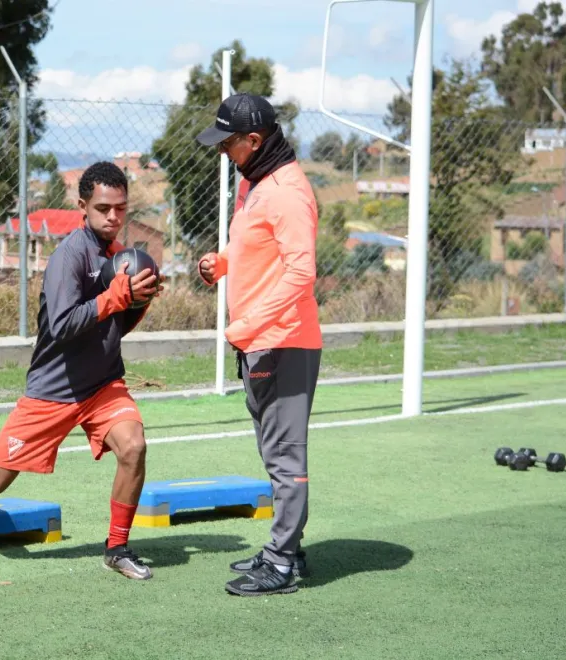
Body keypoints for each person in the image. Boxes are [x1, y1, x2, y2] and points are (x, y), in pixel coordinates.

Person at [0, 161, 162, 580]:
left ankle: (117, 547)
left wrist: (139, 301)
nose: (113, 217)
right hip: (52, 390)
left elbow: (116, 325)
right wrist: (116, 296)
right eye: (103, 208)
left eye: (121, 208)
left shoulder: (121, 258)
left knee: (134, 446)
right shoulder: (67, 257)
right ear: (82, 206)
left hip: (102, 384)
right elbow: (65, 325)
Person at [194, 94, 322, 596]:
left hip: (282, 342)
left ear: (254, 140)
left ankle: (283, 563)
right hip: (261, 340)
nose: (224, 151)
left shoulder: (288, 192)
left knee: (286, 458)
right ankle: (284, 549)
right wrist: (221, 263)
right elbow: (257, 246)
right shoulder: (258, 185)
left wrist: (246, 326)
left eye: (229, 142)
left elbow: (300, 273)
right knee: (275, 455)